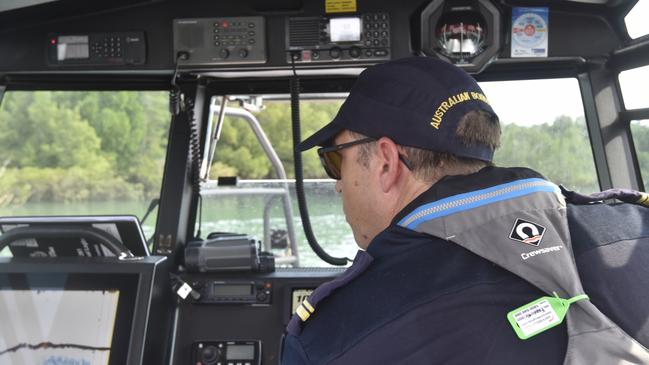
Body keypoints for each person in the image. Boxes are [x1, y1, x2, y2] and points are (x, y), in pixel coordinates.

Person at [281, 56, 649, 365]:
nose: (338, 183)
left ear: (386, 162)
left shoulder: (331, 339)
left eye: (334, 160)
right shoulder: (639, 225)